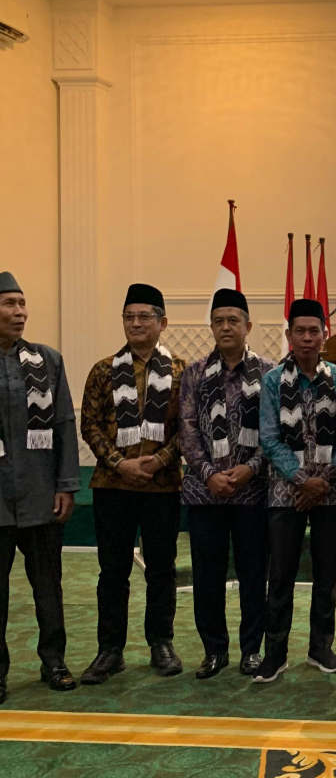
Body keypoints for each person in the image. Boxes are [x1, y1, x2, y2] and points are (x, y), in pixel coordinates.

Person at [79, 283, 187, 684]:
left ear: (162, 322)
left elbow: (189, 427)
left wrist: (159, 460)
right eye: (129, 316)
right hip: (113, 485)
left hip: (163, 486)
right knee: (113, 572)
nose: (136, 323)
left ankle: (161, 643)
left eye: (145, 316)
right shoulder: (103, 370)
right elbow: (89, 425)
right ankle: (110, 650)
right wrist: (119, 464)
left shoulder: (181, 371)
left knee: (161, 570)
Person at [256, 299, 336, 683]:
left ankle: (321, 647)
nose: (307, 338)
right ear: (289, 335)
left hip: (330, 491)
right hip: (286, 494)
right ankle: (275, 653)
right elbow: (269, 438)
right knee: (280, 575)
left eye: (314, 331)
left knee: (326, 575)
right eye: (300, 331)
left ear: (324, 335)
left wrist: (324, 480)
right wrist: (302, 480)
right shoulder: (272, 381)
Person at [177, 288, 274, 680]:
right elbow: (187, 430)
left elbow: (274, 431)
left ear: (248, 326)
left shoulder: (269, 372)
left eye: (233, 320)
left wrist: (251, 468)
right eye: (218, 321)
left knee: (253, 577)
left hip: (253, 492)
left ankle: (252, 650)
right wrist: (208, 474)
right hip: (205, 494)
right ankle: (214, 651)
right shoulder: (194, 373)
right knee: (207, 577)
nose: (225, 327)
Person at [0, 272, 79, 702]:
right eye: (9, 304)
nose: (20, 312)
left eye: (22, 303)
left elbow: (64, 423)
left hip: (39, 494)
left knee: (48, 587)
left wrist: (66, 485)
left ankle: (55, 662)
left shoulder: (47, 360)